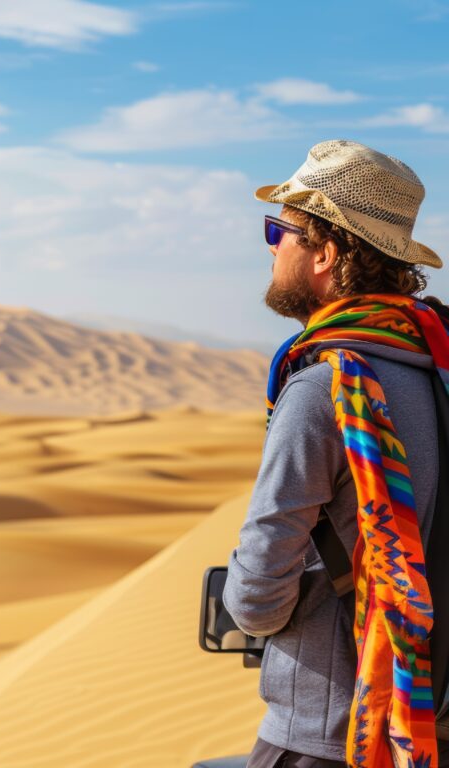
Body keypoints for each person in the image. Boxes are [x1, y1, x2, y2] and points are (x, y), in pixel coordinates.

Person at [222, 139, 449, 768]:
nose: (271, 246)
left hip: (334, 734)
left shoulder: (327, 389)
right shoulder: (439, 367)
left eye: (280, 229)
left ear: (325, 253)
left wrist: (241, 598)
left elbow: (257, 600)